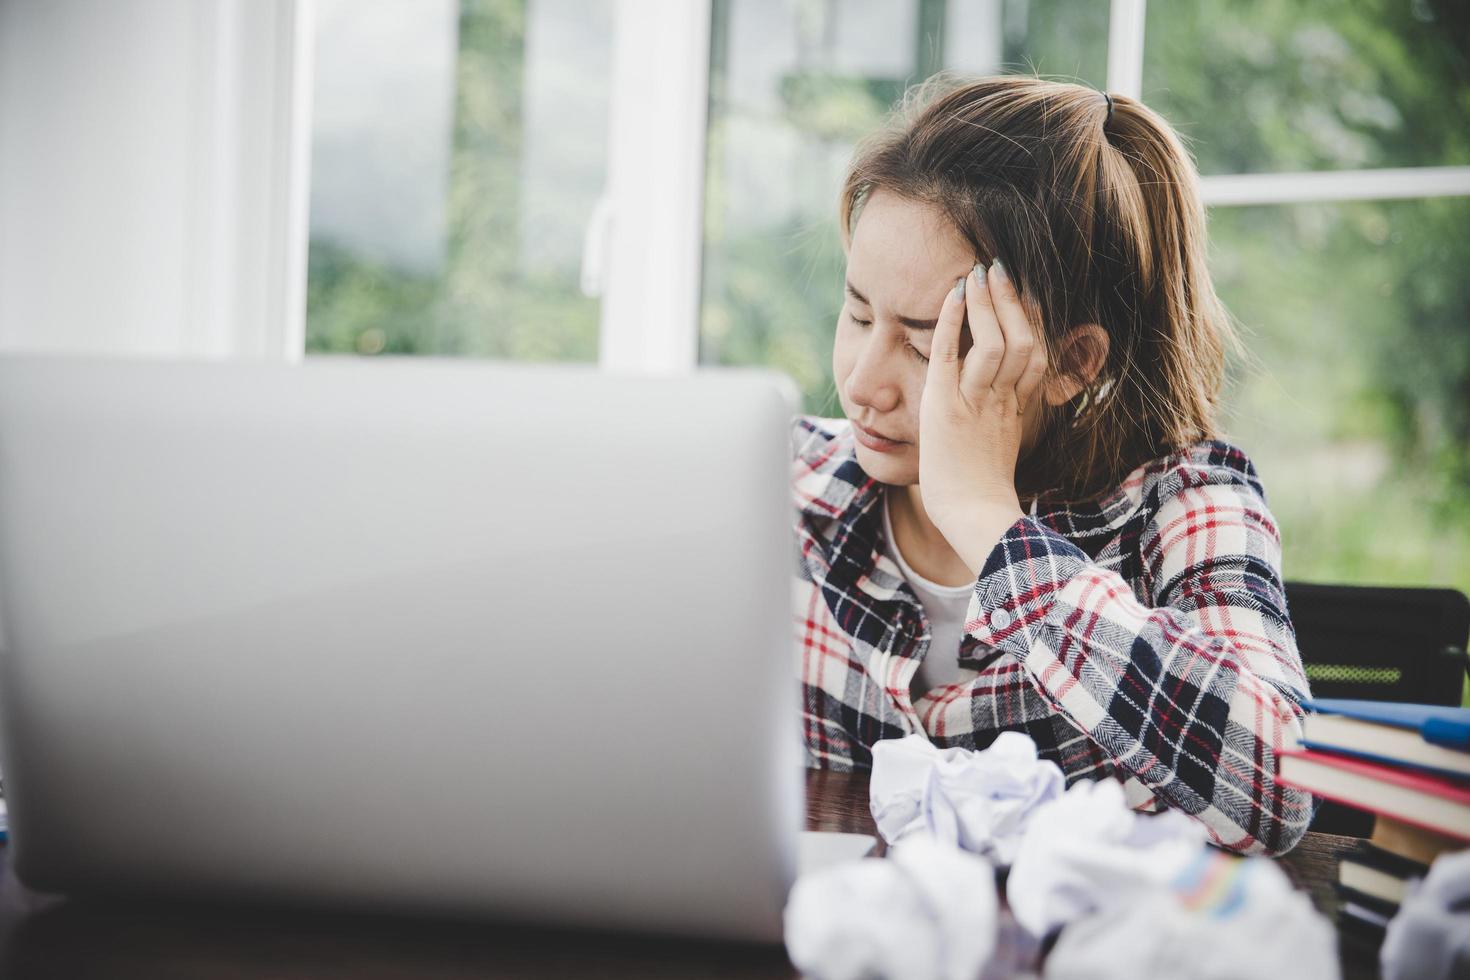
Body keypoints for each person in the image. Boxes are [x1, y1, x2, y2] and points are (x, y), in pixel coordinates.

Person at [791, 75, 1313, 856]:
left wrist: (985, 521)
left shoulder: (1191, 503)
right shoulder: (785, 486)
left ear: (1071, 361)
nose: (860, 382)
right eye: (859, 312)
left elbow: (1276, 786)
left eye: (925, 340)